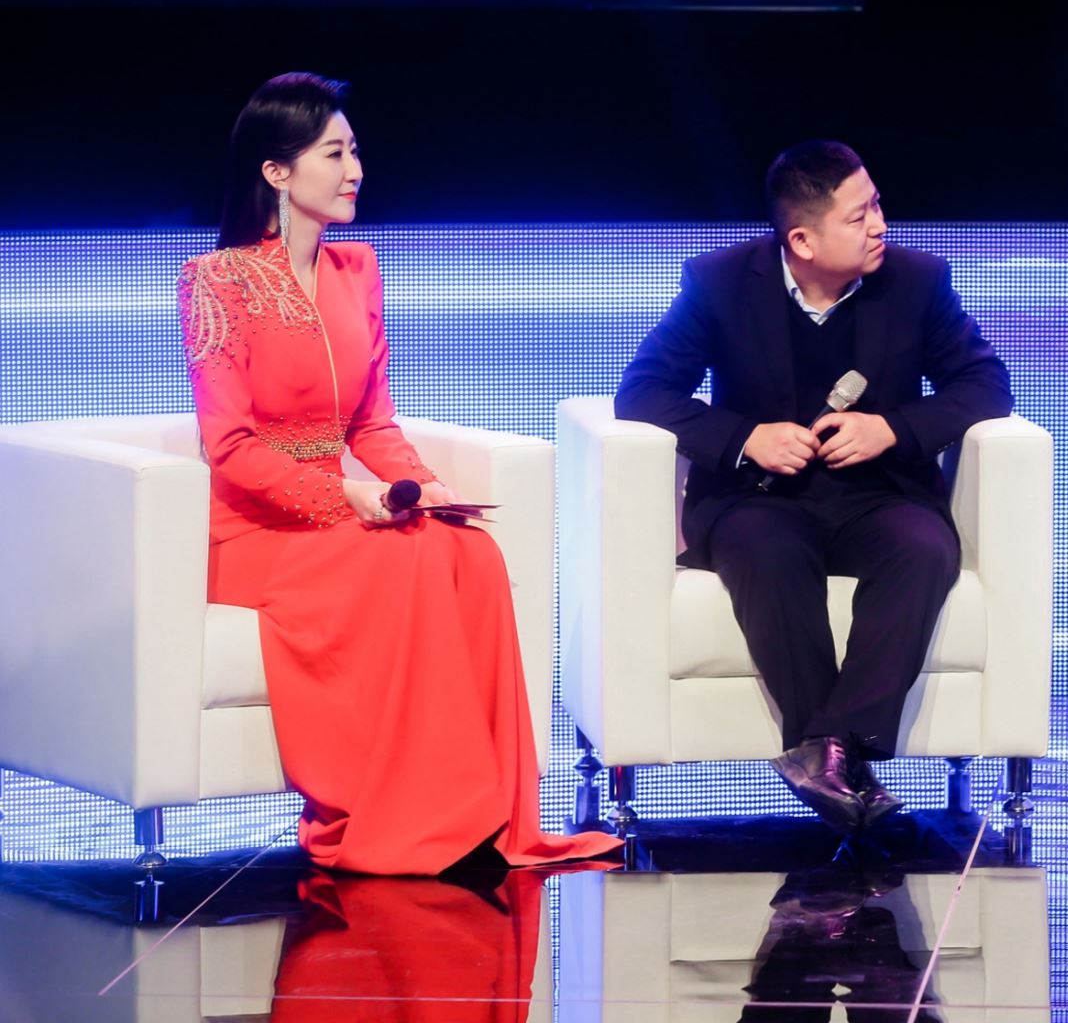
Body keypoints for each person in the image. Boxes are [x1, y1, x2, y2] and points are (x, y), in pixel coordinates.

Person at [178, 73, 621, 875]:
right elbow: (231, 448)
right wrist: (344, 495)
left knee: (467, 552)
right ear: (276, 171)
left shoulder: (358, 269)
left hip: (339, 510)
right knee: (401, 560)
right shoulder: (216, 281)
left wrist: (423, 486)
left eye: (355, 152)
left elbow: (372, 424)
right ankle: (416, 817)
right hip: (254, 528)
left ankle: (489, 818)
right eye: (333, 154)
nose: (355, 170)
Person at [615, 140, 1012, 834]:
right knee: (768, 553)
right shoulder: (720, 282)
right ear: (801, 239)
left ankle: (826, 750)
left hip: (880, 494)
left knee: (923, 550)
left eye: (877, 206)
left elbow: (985, 385)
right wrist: (747, 437)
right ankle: (836, 759)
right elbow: (643, 392)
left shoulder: (917, 281)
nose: (879, 226)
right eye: (859, 217)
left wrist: (892, 428)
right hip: (759, 499)